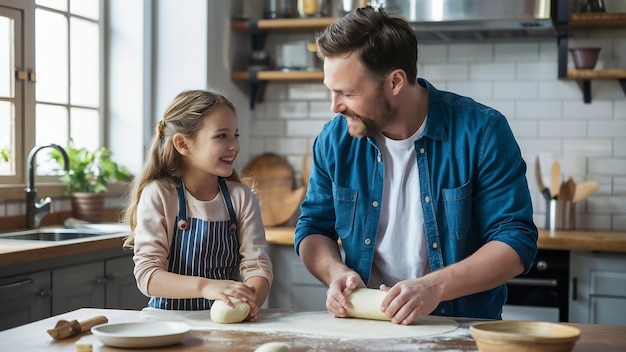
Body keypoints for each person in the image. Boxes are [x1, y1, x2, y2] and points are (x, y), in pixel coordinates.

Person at [294, 5, 538, 325]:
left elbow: (515, 240)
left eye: (347, 93)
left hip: (462, 327)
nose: (335, 106)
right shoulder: (334, 140)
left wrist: (434, 287)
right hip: (367, 327)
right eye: (332, 91)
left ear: (395, 81)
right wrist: (335, 272)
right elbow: (313, 228)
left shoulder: (482, 132)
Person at [123, 90, 272, 321]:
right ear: (183, 144)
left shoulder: (242, 198)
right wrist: (206, 287)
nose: (235, 146)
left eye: (236, 135)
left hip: (224, 324)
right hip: (164, 321)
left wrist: (251, 300)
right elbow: (148, 276)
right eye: (222, 136)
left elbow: (258, 268)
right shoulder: (160, 195)